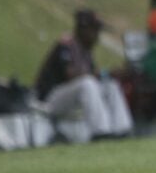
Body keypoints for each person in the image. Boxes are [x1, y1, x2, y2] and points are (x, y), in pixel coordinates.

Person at [35, 9, 134, 142]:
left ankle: (122, 129)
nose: (97, 36)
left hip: (72, 97)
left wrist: (109, 75)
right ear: (83, 29)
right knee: (87, 83)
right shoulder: (66, 45)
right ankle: (100, 132)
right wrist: (102, 74)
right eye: (95, 30)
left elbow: (94, 76)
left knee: (110, 85)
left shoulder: (86, 51)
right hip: (50, 99)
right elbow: (71, 74)